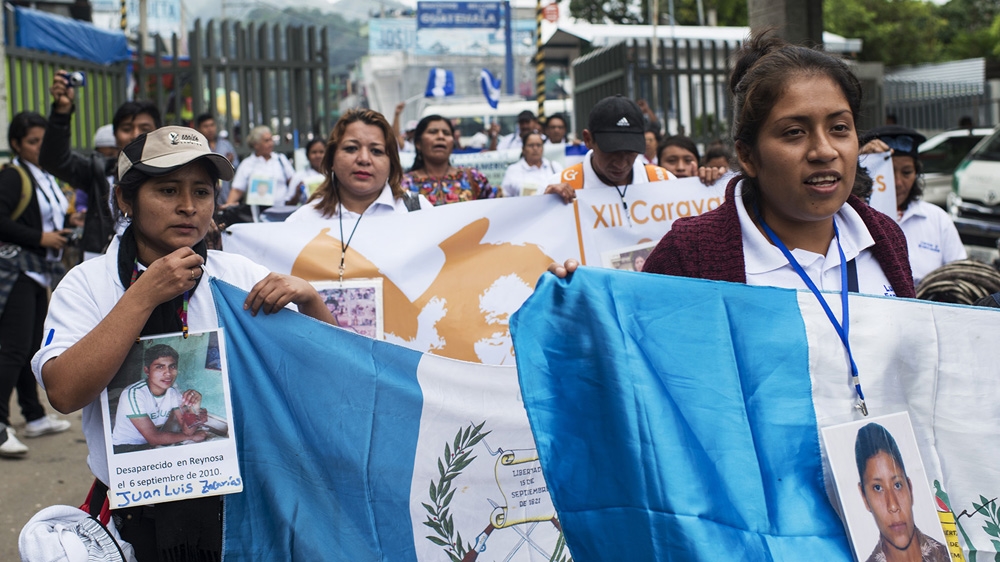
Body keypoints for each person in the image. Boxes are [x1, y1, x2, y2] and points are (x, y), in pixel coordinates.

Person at [32, 126, 336, 560]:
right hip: (133, 517)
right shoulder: (87, 284)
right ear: (125, 199)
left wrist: (310, 300)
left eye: (202, 191)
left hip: (240, 511)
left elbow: (327, 370)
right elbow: (63, 392)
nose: (188, 206)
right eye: (168, 190)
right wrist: (142, 296)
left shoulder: (238, 277)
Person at [551, 32, 914, 299]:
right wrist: (575, 310)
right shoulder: (688, 257)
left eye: (839, 128)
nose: (824, 150)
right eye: (794, 132)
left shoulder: (885, 238)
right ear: (747, 156)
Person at [0, 112, 73, 458]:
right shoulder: (14, 176)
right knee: (13, 348)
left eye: (44, 141)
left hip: (38, 270)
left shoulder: (44, 175)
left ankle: (33, 415)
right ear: (16, 144)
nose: (40, 148)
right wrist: (40, 237)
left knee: (31, 346)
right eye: (33, 142)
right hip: (17, 270)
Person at [40, 72, 161, 261]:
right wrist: (61, 112)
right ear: (115, 135)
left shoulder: (172, 174)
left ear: (158, 133)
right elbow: (54, 160)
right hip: (100, 259)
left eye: (145, 129)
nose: (135, 135)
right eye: (127, 129)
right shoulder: (98, 170)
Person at [860, 125, 966, 287]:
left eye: (907, 172)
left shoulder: (937, 219)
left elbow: (961, 276)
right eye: (889, 172)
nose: (897, 182)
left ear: (917, 174)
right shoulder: (854, 219)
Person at [287, 108, 432, 222]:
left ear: (391, 163)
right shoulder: (303, 221)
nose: (364, 159)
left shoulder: (418, 210)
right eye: (351, 148)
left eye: (376, 151)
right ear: (331, 159)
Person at [543, 95, 673, 203]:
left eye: (630, 151)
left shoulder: (664, 182)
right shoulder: (557, 190)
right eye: (611, 151)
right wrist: (545, 208)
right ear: (588, 140)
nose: (621, 163)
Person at [854, 423, 950, 562]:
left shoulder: (947, 555)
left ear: (910, 488)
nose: (893, 505)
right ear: (864, 497)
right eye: (878, 488)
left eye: (897, 485)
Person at [111, 344, 208, 451]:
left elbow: (188, 430)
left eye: (172, 366)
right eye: (160, 367)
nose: (168, 373)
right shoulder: (133, 394)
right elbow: (154, 438)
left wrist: (195, 406)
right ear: (147, 371)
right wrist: (191, 437)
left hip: (149, 446)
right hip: (125, 447)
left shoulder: (173, 392)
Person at [402, 115, 501, 206]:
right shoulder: (404, 184)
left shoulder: (474, 178)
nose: (441, 136)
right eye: (433, 132)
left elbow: (494, 211)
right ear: (418, 143)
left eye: (446, 133)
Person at [224, 125, 294, 207]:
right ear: (256, 145)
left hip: (283, 210)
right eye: (266, 141)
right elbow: (237, 190)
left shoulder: (280, 159)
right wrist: (227, 205)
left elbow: (293, 181)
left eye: (271, 139)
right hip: (258, 213)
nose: (271, 143)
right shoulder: (247, 164)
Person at [194, 113, 239, 206]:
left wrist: (229, 164)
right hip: (204, 198)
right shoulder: (196, 147)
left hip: (226, 196)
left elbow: (236, 168)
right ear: (199, 129)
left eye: (212, 125)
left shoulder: (226, 144)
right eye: (206, 126)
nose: (210, 129)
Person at [500, 131, 563, 197]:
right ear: (523, 149)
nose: (535, 149)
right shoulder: (513, 170)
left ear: (543, 148)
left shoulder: (555, 167)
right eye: (531, 145)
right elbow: (505, 195)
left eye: (538, 145)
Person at [287, 138, 326, 206]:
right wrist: (297, 194)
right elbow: (288, 204)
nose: (318, 156)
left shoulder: (334, 175)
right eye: (314, 152)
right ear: (307, 156)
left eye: (321, 152)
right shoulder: (299, 177)